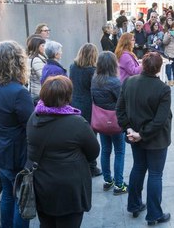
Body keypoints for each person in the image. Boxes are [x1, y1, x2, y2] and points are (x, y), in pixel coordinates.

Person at [26, 76, 99, 228]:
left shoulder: (34, 117)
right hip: (69, 190)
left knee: (46, 224)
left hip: (41, 186)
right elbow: (94, 152)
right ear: (67, 97)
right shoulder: (77, 123)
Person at [0, 41, 34, 228]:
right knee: (22, 199)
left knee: (8, 194)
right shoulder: (18, 92)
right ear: (18, 62)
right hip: (16, 155)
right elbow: (31, 126)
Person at [116, 52, 172, 225]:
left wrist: (130, 130)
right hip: (155, 139)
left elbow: (120, 110)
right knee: (155, 174)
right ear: (158, 68)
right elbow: (160, 120)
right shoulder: (163, 88)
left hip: (135, 136)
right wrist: (141, 134)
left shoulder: (129, 82)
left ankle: (134, 205)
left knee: (138, 168)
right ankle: (154, 214)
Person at [91, 51, 128, 195]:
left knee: (105, 150)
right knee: (119, 151)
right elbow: (121, 102)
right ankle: (119, 184)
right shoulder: (115, 82)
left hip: (101, 121)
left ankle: (108, 180)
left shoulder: (94, 80)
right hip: (115, 121)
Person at [69, 43, 102, 176]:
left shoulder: (73, 67)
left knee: (77, 135)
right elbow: (94, 89)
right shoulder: (91, 71)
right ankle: (91, 166)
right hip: (88, 106)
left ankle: (79, 163)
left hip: (74, 103)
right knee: (90, 137)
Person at [27, 36, 47, 105]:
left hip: (35, 91)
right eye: (42, 45)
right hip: (38, 93)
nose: (44, 47)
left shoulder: (32, 57)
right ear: (37, 46)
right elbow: (43, 77)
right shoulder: (36, 60)